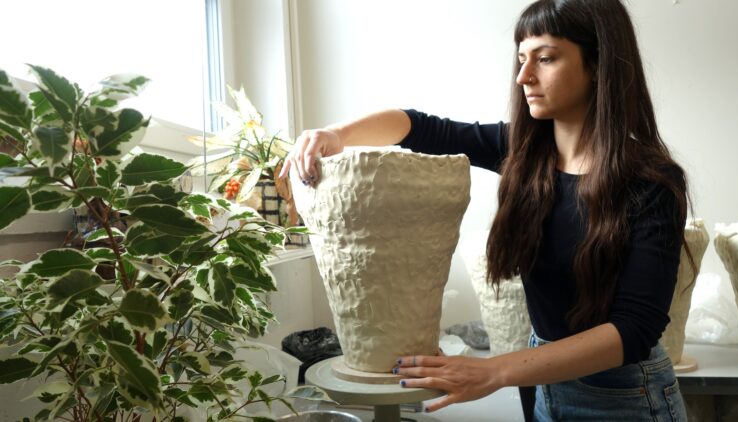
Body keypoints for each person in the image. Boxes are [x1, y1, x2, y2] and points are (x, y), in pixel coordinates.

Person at [281, 0, 693, 420]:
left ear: (599, 64)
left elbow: (634, 329)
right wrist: (333, 134)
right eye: (521, 59)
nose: (523, 76)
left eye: (545, 58)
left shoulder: (651, 181)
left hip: (624, 396)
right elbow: (418, 126)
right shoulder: (525, 154)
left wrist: (494, 371)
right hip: (543, 378)